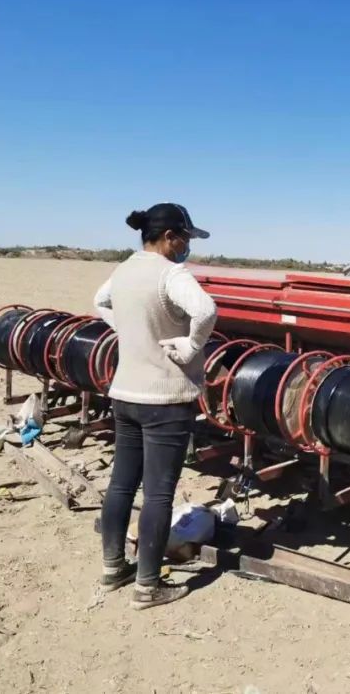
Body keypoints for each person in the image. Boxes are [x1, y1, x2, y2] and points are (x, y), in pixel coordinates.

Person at [94, 203, 217, 610]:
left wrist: (131, 331)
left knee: (121, 484)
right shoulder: (171, 274)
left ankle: (114, 567)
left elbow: (100, 301)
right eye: (185, 239)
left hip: (124, 394)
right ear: (169, 237)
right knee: (159, 494)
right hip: (165, 398)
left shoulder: (125, 269)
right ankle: (148, 587)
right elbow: (206, 310)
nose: (186, 248)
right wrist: (191, 344)